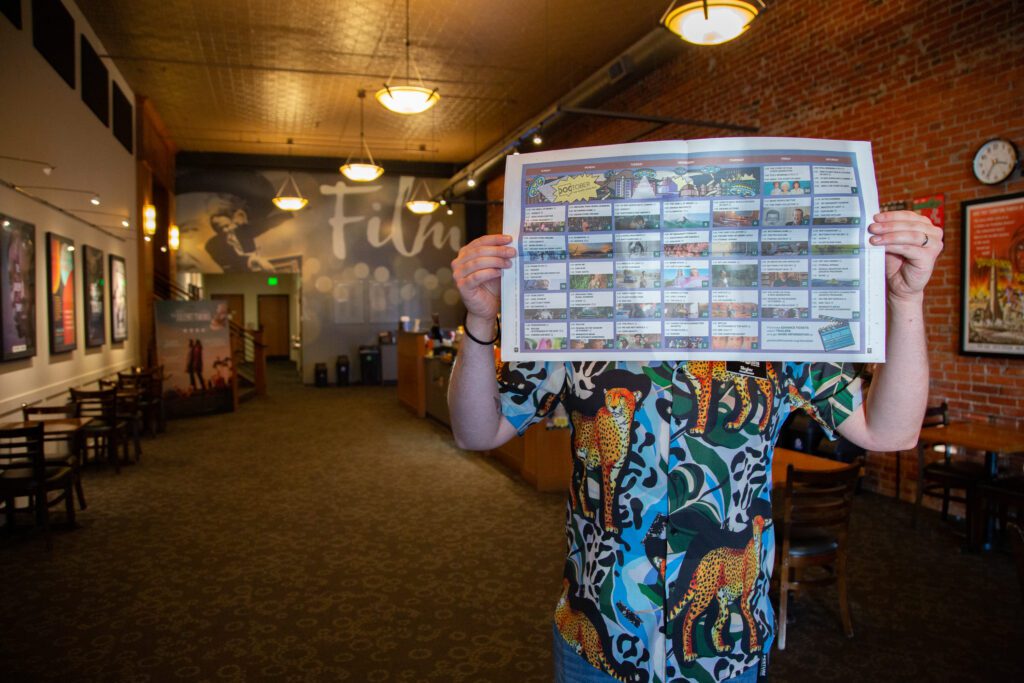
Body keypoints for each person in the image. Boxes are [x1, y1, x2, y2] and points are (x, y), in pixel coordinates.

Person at [449, 211, 940, 682]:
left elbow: (890, 431)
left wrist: (905, 300)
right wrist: (479, 321)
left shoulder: (777, 329)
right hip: (598, 633)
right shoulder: (583, 325)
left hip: (725, 645)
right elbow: (477, 431)